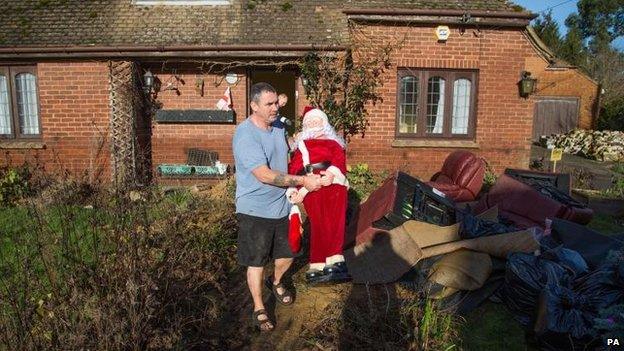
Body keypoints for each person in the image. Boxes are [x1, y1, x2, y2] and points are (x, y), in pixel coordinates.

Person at [232, 83, 323, 332]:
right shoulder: (245, 135)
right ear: (253, 106)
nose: (275, 108)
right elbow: (264, 175)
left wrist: (314, 141)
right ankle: (259, 306)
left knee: (290, 252)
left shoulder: (278, 127)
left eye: (276, 103)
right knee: (257, 259)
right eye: (269, 104)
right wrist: (304, 181)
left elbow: (290, 146)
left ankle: (277, 280)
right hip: (254, 209)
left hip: (282, 204)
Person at [286, 107, 351, 284]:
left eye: (318, 121)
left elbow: (339, 160)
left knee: (334, 222)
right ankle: (317, 264)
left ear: (325, 123)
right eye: (310, 122)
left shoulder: (334, 143)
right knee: (318, 224)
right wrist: (295, 189)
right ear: (305, 126)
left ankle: (335, 261)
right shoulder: (301, 146)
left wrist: (331, 173)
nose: (314, 125)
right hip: (310, 185)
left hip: (333, 185)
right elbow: (294, 168)